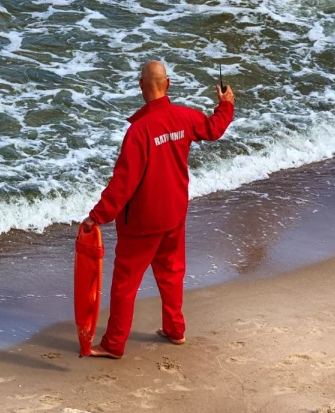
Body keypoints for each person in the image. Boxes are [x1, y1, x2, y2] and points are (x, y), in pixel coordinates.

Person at [81, 61, 235, 358]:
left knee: (125, 285)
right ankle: (175, 330)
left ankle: (114, 344)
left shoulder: (139, 131)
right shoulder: (185, 117)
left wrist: (97, 216)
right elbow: (214, 129)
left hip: (142, 221)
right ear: (169, 83)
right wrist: (225, 105)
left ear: (141, 85)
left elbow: (123, 183)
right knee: (171, 273)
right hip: (174, 212)